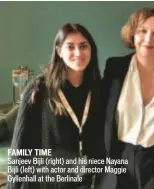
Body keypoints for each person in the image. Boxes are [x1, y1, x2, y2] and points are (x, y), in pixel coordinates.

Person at [7, 23, 105, 189]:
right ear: (59, 51)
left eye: (83, 46)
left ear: (91, 50)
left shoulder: (99, 89)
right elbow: (21, 146)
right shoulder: (39, 88)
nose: (78, 53)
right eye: (70, 47)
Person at [100, 6, 154, 189]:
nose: (149, 39)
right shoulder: (115, 67)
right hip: (119, 157)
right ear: (132, 34)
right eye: (143, 31)